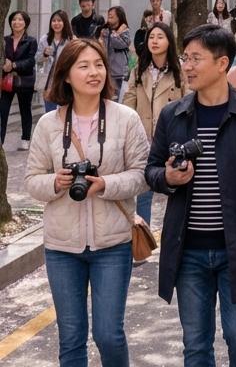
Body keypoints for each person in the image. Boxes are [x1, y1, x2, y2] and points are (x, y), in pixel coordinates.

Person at [145, 24, 236, 367]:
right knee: (195, 343)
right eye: (186, 58)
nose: (188, 66)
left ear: (222, 64)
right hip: (188, 249)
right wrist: (169, 177)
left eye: (196, 59)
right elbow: (150, 171)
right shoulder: (173, 114)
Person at [25, 38, 150, 367]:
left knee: (109, 335)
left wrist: (105, 184)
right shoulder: (48, 124)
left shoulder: (125, 118)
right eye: (83, 66)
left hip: (112, 245)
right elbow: (31, 180)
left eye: (98, 64)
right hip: (62, 248)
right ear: (66, 75)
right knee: (71, 337)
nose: (93, 72)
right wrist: (55, 182)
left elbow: (142, 175)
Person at [123, 21, 188, 225]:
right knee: (144, 191)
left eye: (160, 37)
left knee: (176, 189)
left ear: (169, 41)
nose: (155, 41)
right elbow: (128, 102)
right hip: (143, 137)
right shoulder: (138, 70)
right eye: (151, 37)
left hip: (172, 137)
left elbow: (188, 103)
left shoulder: (180, 70)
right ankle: (145, 238)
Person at [2, 9, 38, 148]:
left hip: (24, 81)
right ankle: (1, 140)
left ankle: (25, 139)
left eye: (20, 19)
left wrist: (14, 65)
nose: (16, 22)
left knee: (25, 110)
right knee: (3, 110)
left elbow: (30, 61)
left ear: (25, 23)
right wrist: (4, 64)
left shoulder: (31, 41)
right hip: (7, 81)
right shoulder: (5, 40)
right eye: (14, 19)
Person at [40, 10, 74, 113]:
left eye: (59, 20)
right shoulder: (45, 39)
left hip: (66, 82)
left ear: (65, 22)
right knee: (50, 113)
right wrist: (44, 54)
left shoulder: (71, 40)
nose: (56, 23)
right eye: (53, 21)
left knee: (66, 113)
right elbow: (37, 60)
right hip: (48, 82)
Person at [96, 6, 131, 96]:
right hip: (106, 69)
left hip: (118, 72)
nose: (109, 18)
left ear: (119, 17)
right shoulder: (105, 31)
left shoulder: (125, 31)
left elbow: (119, 44)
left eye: (112, 16)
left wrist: (116, 33)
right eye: (108, 16)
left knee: (118, 99)